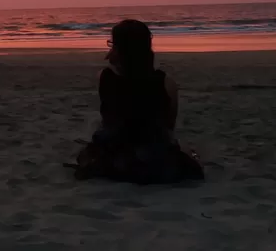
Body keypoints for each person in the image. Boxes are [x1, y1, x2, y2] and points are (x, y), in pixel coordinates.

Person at [71, 19, 204, 184]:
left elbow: (109, 116)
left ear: (119, 49)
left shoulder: (104, 78)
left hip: (115, 152)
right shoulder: (165, 82)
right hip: (152, 155)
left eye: (112, 44)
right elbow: (169, 125)